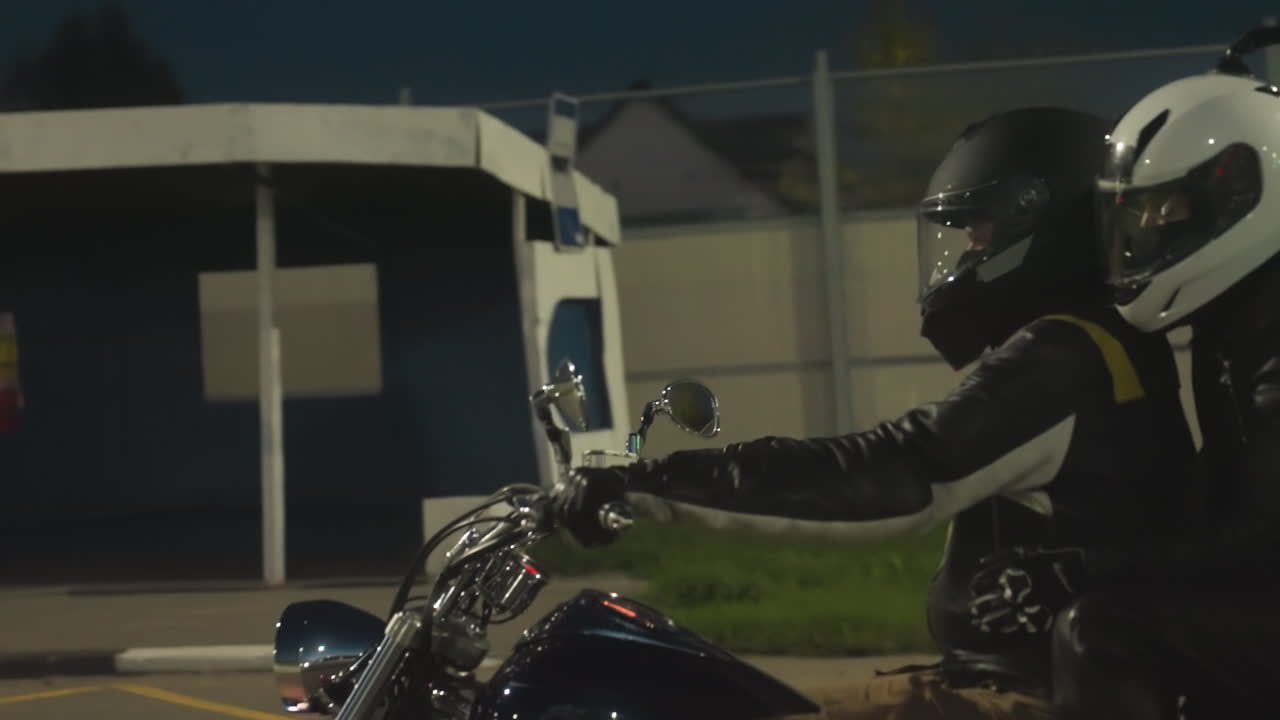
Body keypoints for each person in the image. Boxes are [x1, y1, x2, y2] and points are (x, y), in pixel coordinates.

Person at [553, 106, 1200, 719]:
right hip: (1008, 676)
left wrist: (648, 483)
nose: (970, 248)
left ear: (1045, 227)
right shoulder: (1102, 343)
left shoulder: (1065, 357)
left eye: (985, 228)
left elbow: (895, 476)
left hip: (1029, 696)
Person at [966, 30, 1280, 720]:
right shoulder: (1239, 318)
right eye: (1140, 212)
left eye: (1172, 207)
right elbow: (1228, 493)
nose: (1152, 230)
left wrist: (1082, 568)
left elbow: (1265, 535)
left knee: (1102, 632)